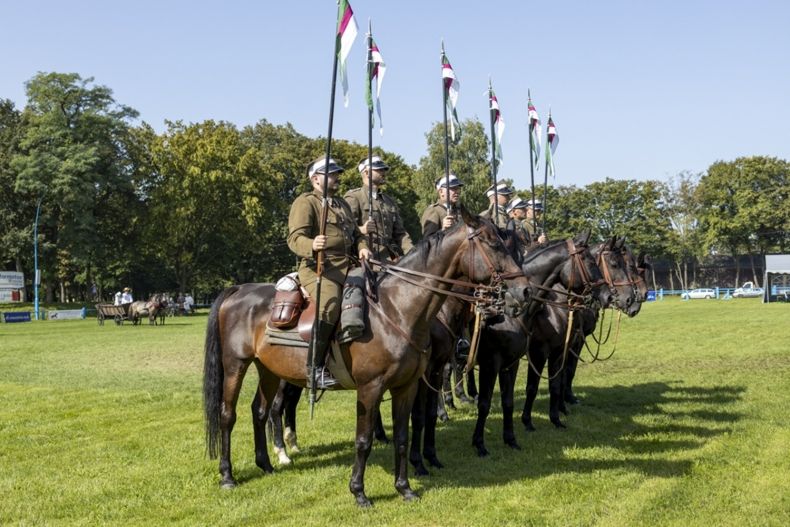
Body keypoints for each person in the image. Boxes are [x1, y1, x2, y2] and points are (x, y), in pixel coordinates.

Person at [287, 156, 372, 389]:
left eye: (336, 173)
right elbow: (294, 239)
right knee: (330, 306)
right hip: (319, 268)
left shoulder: (341, 204)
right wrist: (312, 244)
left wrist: (363, 248)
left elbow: (357, 235)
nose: (337, 177)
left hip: (348, 266)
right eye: (331, 174)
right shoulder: (306, 203)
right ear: (315, 179)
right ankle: (314, 368)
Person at [344, 155, 414, 261]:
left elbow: (400, 233)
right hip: (366, 257)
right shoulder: (354, 197)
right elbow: (344, 228)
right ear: (366, 173)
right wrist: (361, 229)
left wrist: (413, 251)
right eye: (378, 170)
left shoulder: (389, 201)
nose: (383, 172)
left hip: (391, 256)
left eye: (383, 169)